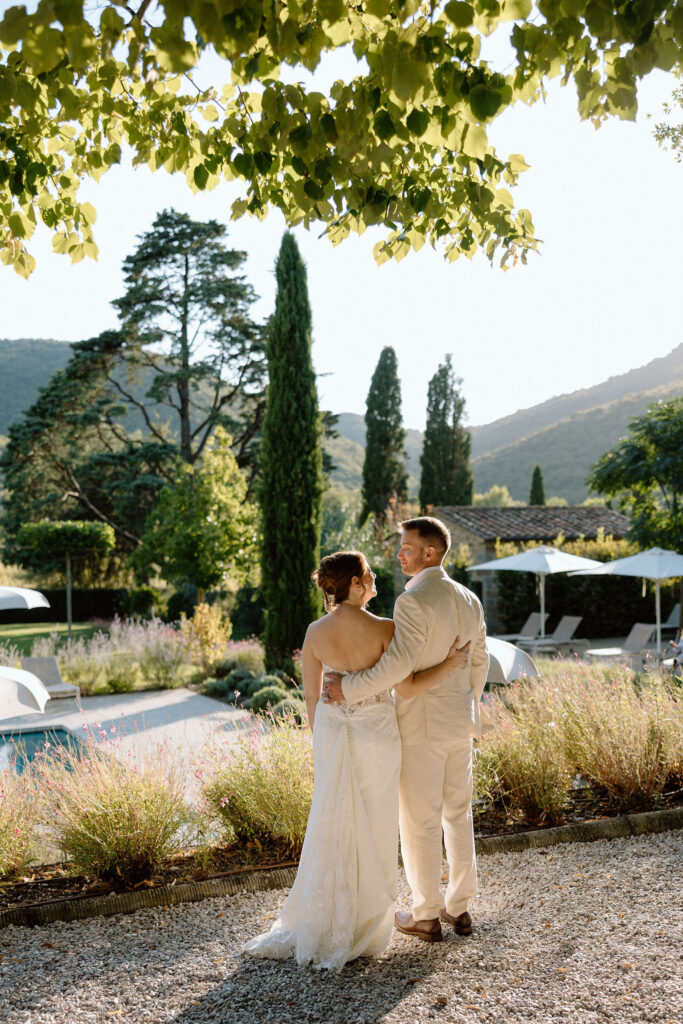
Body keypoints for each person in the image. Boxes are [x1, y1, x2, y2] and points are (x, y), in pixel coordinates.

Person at [243, 549, 469, 971]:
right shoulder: (385, 628)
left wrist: (322, 742)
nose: (375, 577)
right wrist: (453, 662)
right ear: (355, 584)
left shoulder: (314, 631)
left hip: (331, 731)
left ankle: (329, 918)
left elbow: (312, 697)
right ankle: (366, 924)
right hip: (378, 736)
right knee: (377, 820)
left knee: (333, 819)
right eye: (368, 573)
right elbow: (410, 688)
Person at [324, 516, 489, 943]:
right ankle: (461, 907)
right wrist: (466, 702)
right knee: (458, 815)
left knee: (420, 822)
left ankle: (426, 915)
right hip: (459, 722)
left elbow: (396, 666)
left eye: (407, 547)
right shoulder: (470, 599)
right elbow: (480, 662)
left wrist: (350, 688)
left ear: (430, 552)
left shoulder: (413, 601)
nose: (399, 554)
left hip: (421, 725)